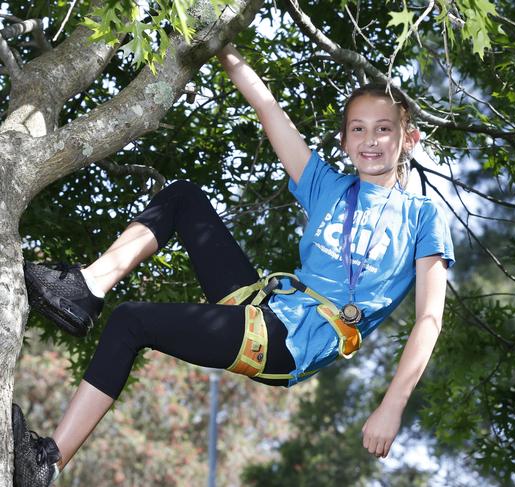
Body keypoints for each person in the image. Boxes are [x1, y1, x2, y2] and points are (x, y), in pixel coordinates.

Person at [12, 43, 454, 486]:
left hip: (289, 341)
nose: (370, 139)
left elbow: (429, 321)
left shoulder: (423, 217)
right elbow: (267, 108)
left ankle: (49, 463)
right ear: (344, 141)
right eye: (357, 129)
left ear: (408, 137)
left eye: (383, 129)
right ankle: (86, 288)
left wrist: (391, 405)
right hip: (262, 305)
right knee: (183, 196)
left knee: (131, 321)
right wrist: (220, 41)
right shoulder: (328, 186)